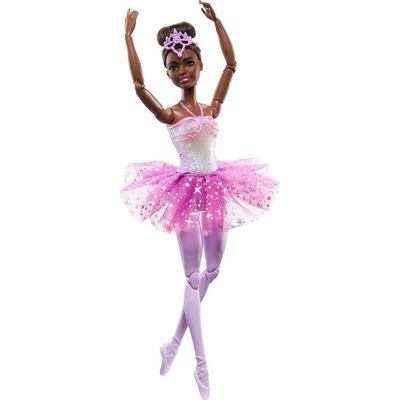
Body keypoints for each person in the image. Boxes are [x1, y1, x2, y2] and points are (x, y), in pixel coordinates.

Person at [120, 2, 279, 399]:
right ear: (168, 73)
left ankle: (173, 342)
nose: (182, 71)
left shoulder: (211, 108)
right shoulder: (170, 114)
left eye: (188, 62)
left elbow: (232, 66)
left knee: (214, 270)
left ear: (199, 64)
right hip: (185, 193)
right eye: (173, 67)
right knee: (192, 276)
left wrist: (218, 22)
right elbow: (139, 87)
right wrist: (128, 39)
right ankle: (201, 363)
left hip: (217, 186)